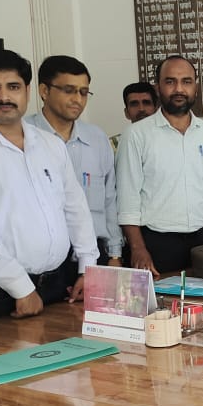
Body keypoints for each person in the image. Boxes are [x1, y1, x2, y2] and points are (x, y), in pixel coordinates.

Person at [0, 49, 99, 324]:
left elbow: (76, 208)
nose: (4, 97)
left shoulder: (50, 144)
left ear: (27, 91)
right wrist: (20, 287)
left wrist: (88, 269)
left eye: (13, 87)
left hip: (59, 284)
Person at [116, 55, 203, 276]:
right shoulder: (136, 134)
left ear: (195, 87)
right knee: (161, 299)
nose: (179, 89)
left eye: (186, 81)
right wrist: (138, 248)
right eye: (170, 81)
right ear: (158, 87)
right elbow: (127, 199)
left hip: (201, 241)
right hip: (155, 244)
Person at [26, 55, 121, 266]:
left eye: (83, 92)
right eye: (69, 90)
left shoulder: (97, 138)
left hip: (95, 253)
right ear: (44, 91)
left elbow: (109, 200)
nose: (78, 99)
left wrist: (115, 254)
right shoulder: (22, 135)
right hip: (43, 258)